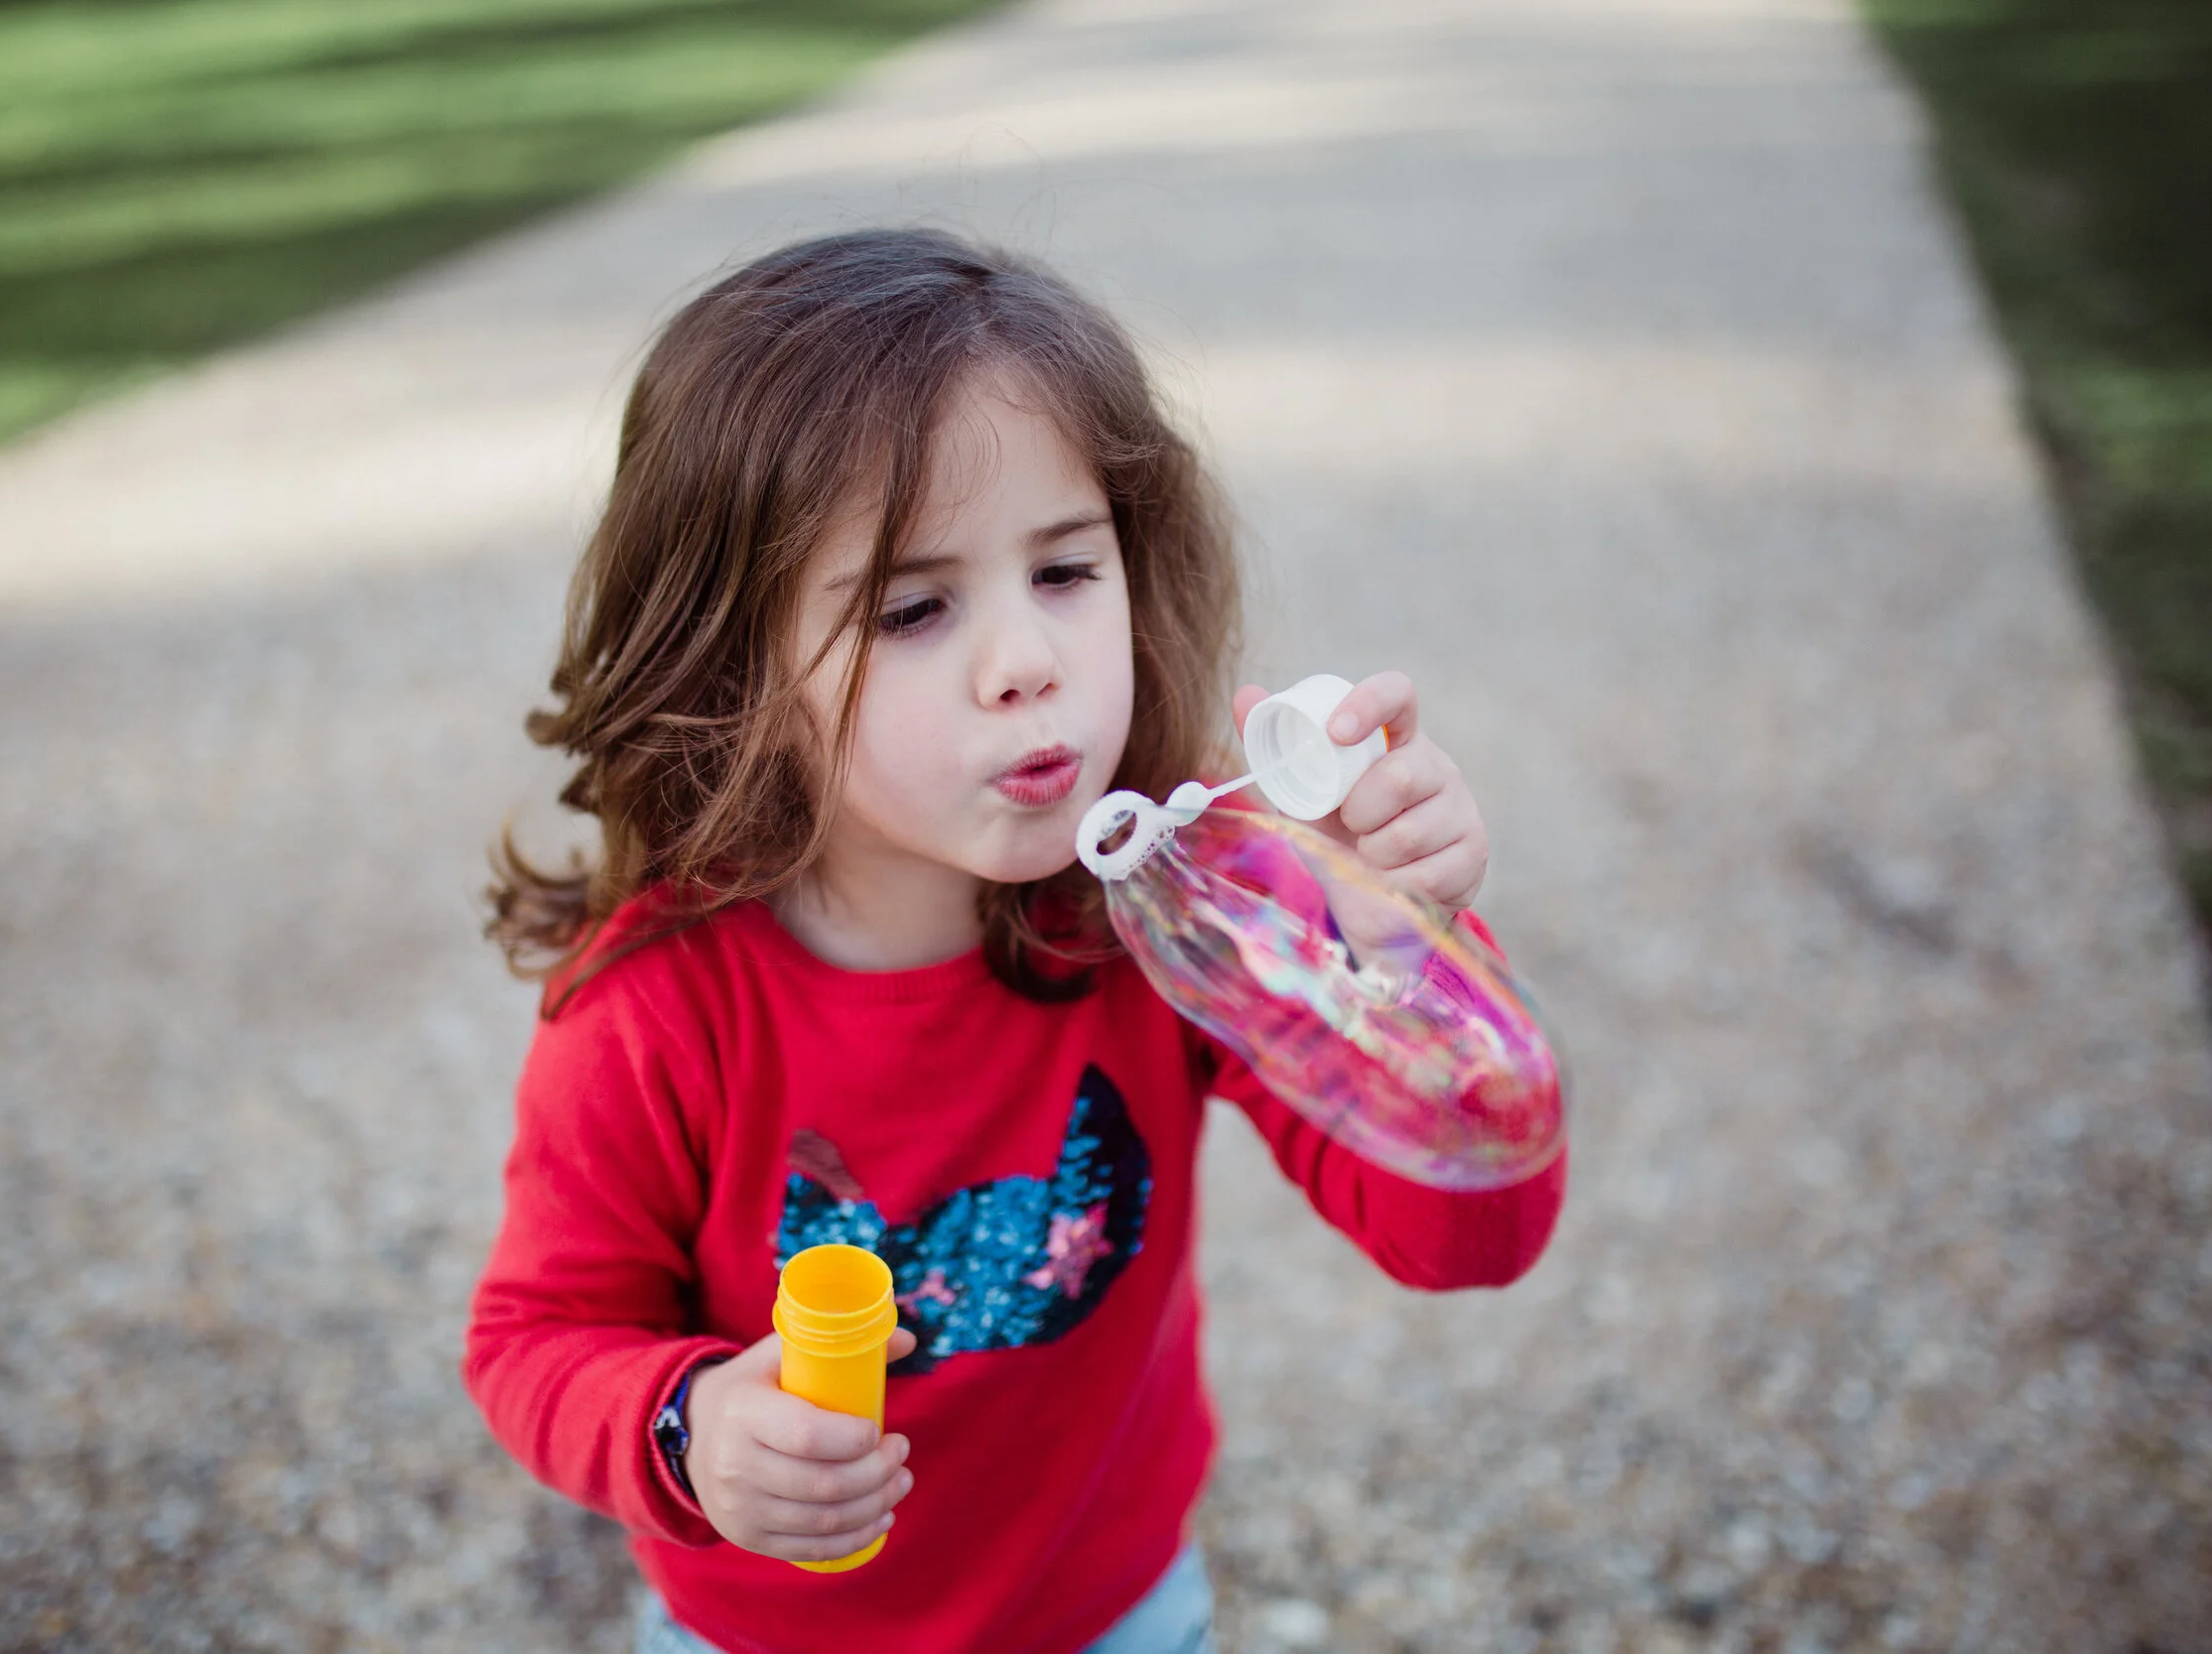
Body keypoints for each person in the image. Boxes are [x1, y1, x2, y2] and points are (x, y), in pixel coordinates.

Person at [462, 226, 1565, 1654]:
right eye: (914, 608)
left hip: (1115, 1615)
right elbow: (534, 1343)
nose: (1028, 661)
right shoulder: (656, 1011)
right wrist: (689, 1425)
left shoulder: (1183, 909)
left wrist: (1403, 954)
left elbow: (1466, 1236)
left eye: (1065, 570)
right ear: (738, 671)